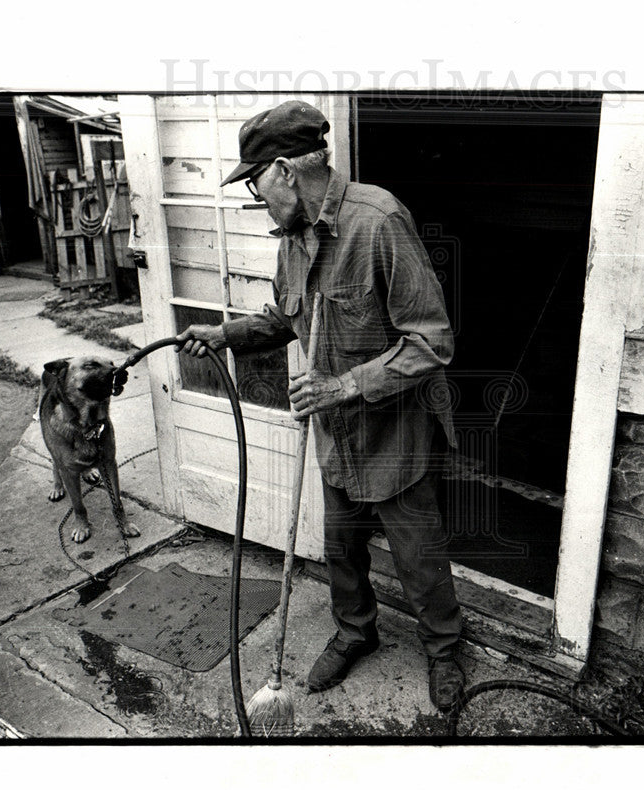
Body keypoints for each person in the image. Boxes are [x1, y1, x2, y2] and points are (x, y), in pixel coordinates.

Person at [175, 100, 465, 712]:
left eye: (255, 185)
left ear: (283, 170)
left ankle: (443, 649)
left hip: (393, 434)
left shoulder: (378, 220)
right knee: (341, 549)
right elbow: (286, 317)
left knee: (418, 558)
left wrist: (342, 386)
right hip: (337, 437)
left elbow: (432, 341)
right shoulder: (293, 240)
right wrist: (225, 334)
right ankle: (356, 631)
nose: (258, 200)